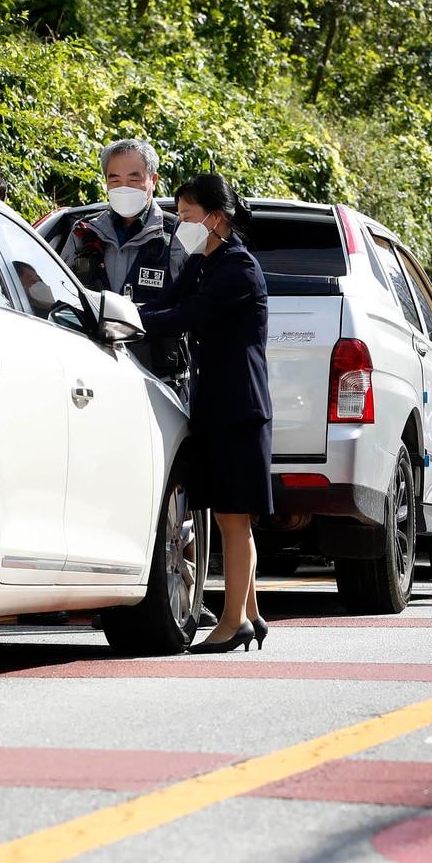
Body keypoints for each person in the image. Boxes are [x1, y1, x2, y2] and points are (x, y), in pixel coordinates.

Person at [139, 174, 272, 654]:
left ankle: (231, 623)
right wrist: (117, 311)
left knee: (234, 519)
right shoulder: (203, 263)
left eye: (188, 215)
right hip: (214, 406)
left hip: (239, 409)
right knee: (230, 517)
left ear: (215, 218)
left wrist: (133, 323)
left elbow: (185, 317)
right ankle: (251, 613)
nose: (181, 224)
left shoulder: (239, 268)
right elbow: (164, 304)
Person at [61, 138, 188, 382]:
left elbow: (197, 308)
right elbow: (60, 293)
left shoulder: (178, 235)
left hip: (159, 378)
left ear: (153, 181)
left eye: (134, 179)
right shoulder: (84, 233)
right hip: (92, 373)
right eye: (115, 180)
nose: (124, 187)